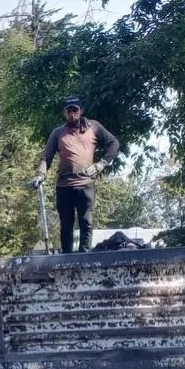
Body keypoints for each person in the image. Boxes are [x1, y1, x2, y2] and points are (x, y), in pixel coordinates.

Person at [32, 96, 120, 254]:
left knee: (86, 222)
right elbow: (47, 157)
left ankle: (85, 256)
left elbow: (114, 143)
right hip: (64, 185)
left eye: (75, 110)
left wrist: (102, 164)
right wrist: (40, 174)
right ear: (64, 113)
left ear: (81, 111)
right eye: (69, 111)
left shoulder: (93, 127)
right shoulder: (58, 133)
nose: (72, 114)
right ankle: (67, 258)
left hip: (86, 184)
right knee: (66, 225)